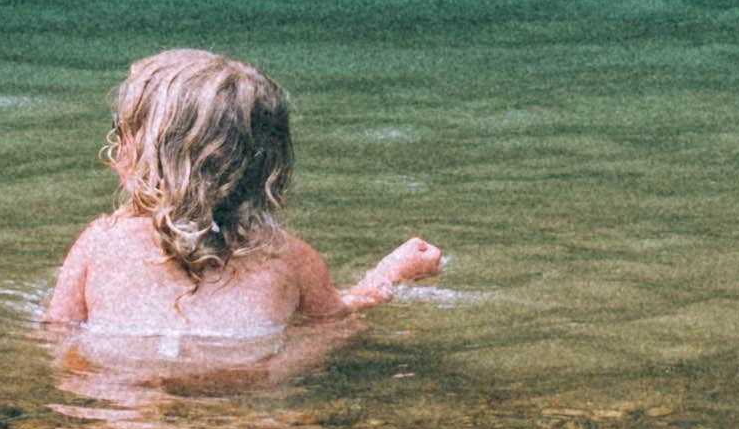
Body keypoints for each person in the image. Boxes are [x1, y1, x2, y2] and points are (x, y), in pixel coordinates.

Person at [36, 45, 442, 358]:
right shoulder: (288, 258)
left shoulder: (101, 243)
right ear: (266, 167)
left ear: (143, 156)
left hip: (121, 410)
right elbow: (336, 321)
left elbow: (58, 331)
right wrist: (388, 277)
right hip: (249, 402)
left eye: (121, 131)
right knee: (325, 340)